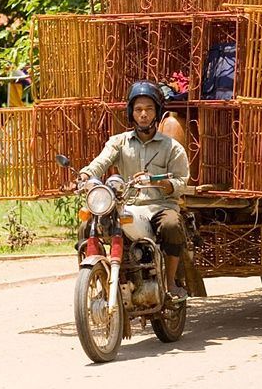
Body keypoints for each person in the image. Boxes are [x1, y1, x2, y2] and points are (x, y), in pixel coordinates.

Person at [77, 81, 191, 299]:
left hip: (159, 205)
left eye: (149, 109)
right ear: (131, 113)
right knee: (86, 224)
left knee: (172, 224)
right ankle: (96, 277)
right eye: (138, 109)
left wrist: (158, 182)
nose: (143, 114)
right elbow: (100, 162)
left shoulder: (172, 147)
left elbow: (181, 182)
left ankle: (169, 283)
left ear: (157, 112)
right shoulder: (119, 142)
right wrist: (85, 175)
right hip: (126, 206)